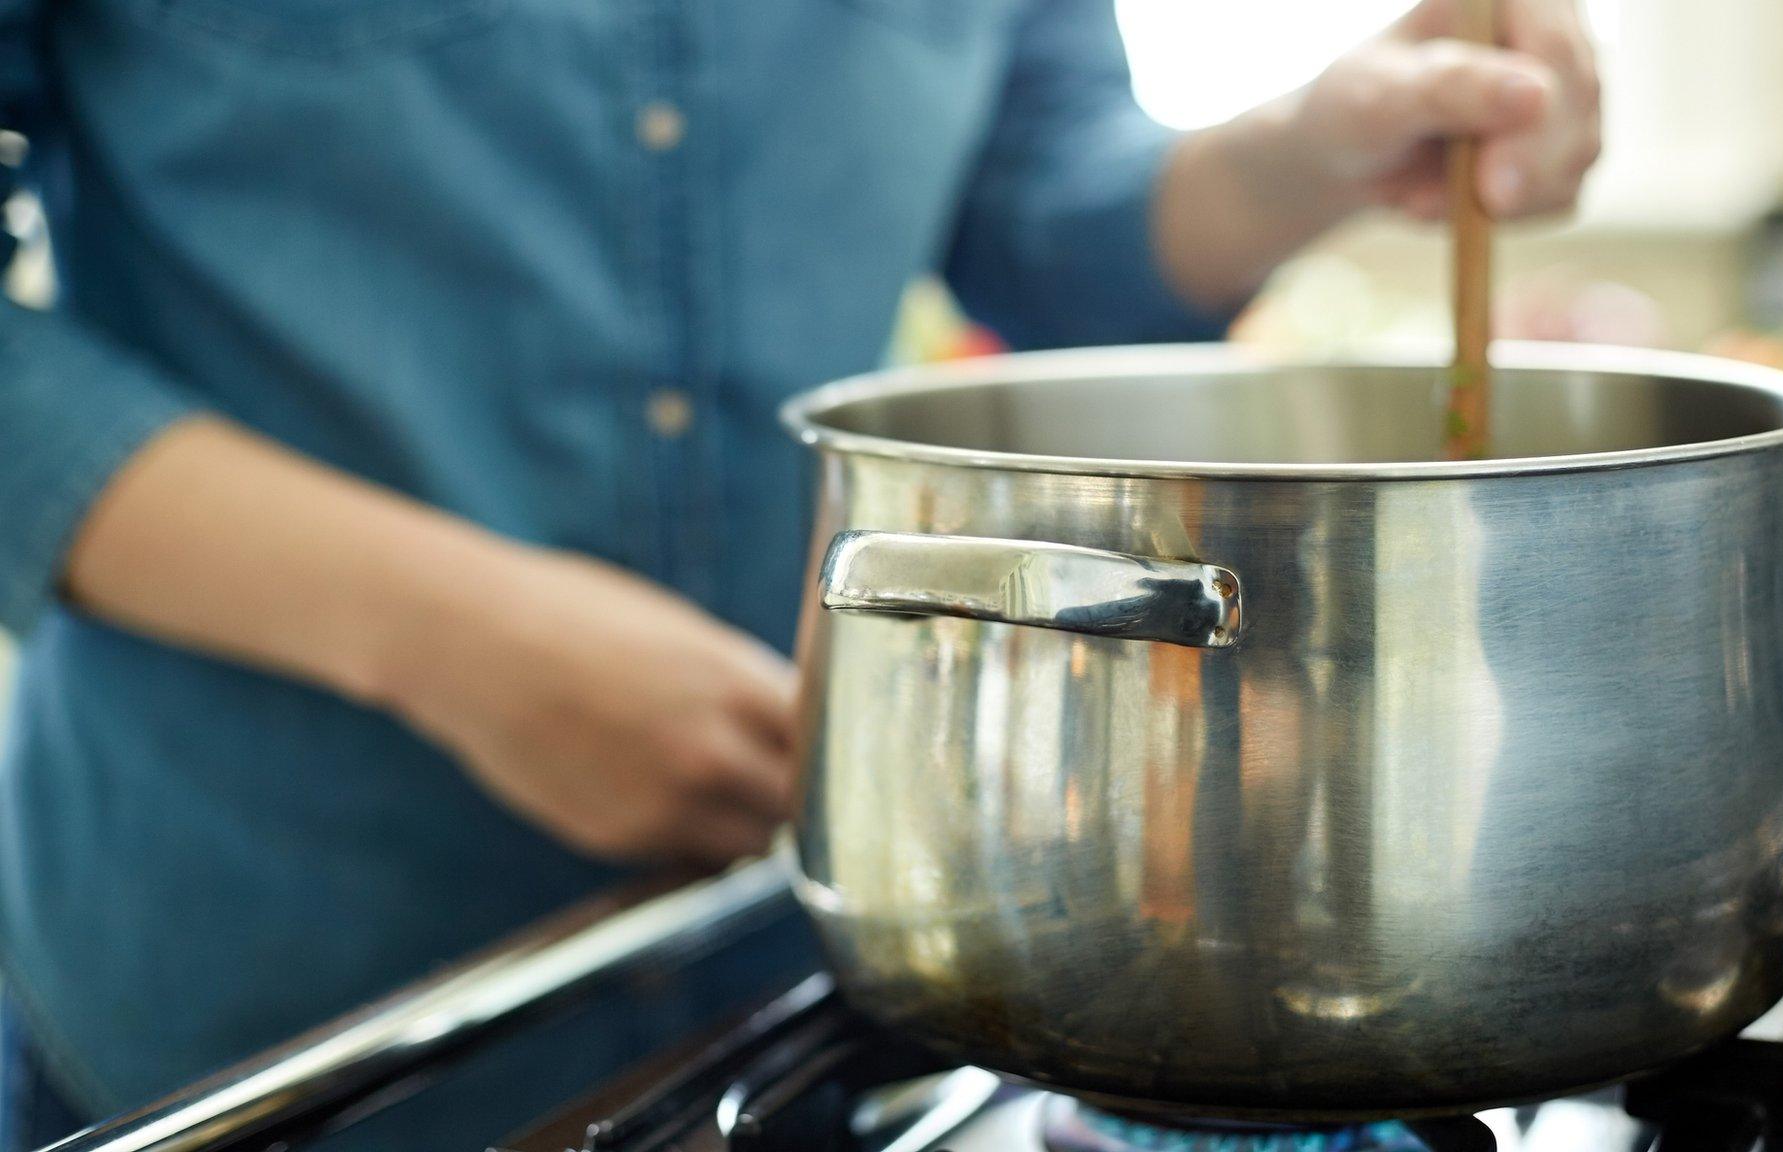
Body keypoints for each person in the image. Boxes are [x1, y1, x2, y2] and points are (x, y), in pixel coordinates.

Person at [0, 0, 1600, 1144]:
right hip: (254, 982)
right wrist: (444, 636)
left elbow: (1052, 214)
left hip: (810, 974)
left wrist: (1310, 147)